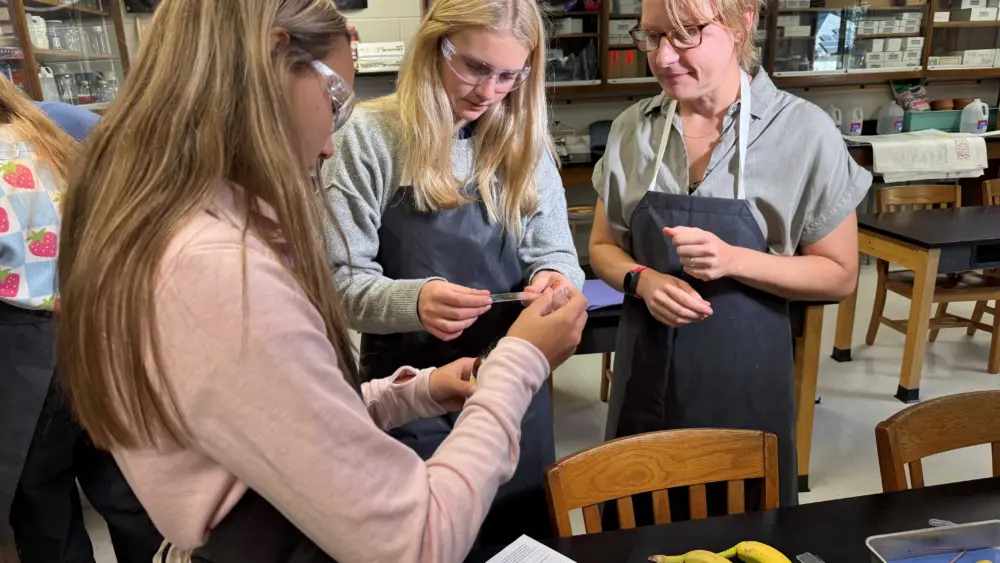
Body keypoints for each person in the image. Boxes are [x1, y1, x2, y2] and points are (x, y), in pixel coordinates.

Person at [56, 1, 588, 562]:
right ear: (275, 57)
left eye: (510, 76)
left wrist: (415, 391)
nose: (330, 143)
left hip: (461, 389)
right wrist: (521, 356)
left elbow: (287, 416)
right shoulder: (219, 272)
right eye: (335, 100)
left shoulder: (172, 236)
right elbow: (419, 541)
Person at [589, 0, 872, 514]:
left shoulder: (803, 133)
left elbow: (839, 275)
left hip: (744, 384)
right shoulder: (633, 129)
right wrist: (642, 281)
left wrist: (735, 260)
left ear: (743, 23)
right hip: (643, 382)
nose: (664, 56)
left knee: (740, 532)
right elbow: (604, 248)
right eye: (652, 37)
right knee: (635, 530)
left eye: (685, 33)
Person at [322, 0, 584, 543]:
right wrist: (414, 301)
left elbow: (557, 254)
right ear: (432, 47)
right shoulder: (367, 138)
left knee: (518, 539)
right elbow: (339, 283)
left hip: (512, 386)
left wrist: (553, 282)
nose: (488, 92)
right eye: (474, 67)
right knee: (426, 540)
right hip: (409, 392)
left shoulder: (524, 143)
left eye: (510, 75)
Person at [0, 82, 162, 562]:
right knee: (129, 489)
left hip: (22, 346)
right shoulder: (59, 123)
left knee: (44, 507)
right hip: (103, 326)